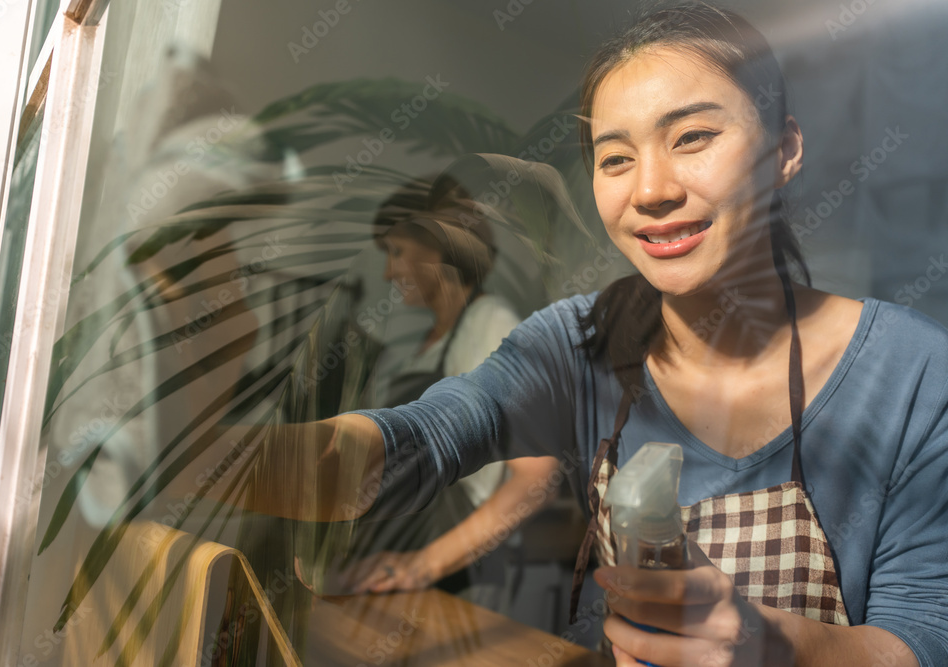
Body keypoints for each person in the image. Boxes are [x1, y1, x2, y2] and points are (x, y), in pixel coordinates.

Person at [249, 3, 948, 665]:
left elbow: (923, 636)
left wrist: (773, 645)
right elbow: (429, 435)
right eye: (615, 158)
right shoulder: (577, 344)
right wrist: (228, 455)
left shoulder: (913, 372)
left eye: (693, 137)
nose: (650, 189)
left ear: (784, 150)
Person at [339, 190, 560, 612]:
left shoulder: (490, 325)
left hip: (455, 577)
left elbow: (537, 479)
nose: (388, 272)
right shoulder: (422, 343)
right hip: (394, 566)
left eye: (397, 251)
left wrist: (423, 565)